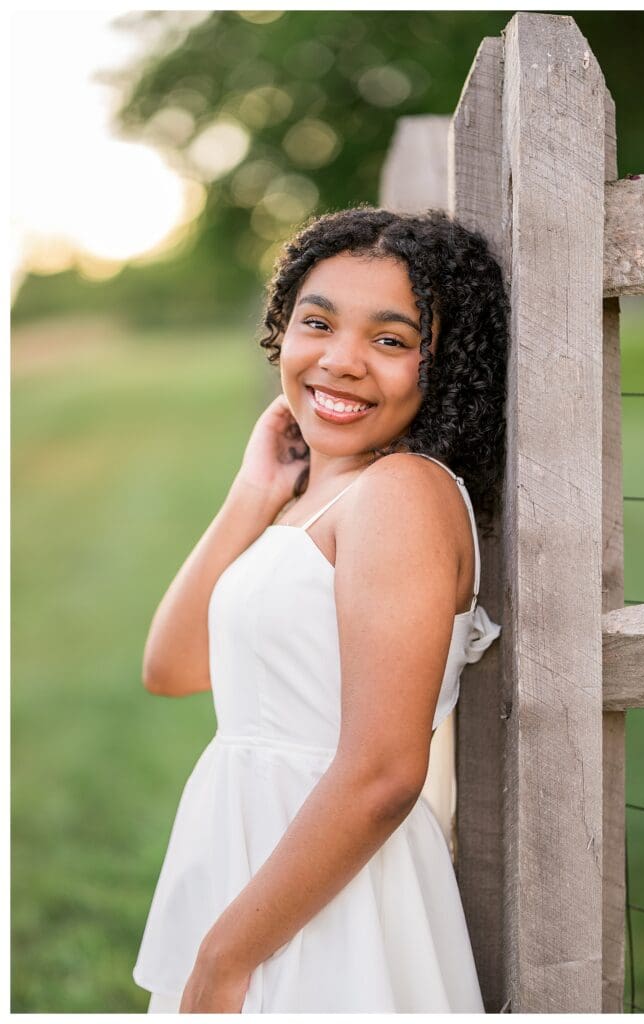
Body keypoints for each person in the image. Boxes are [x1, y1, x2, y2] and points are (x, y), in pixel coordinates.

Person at [132, 206, 508, 1013]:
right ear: (282, 331)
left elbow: (382, 774)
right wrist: (253, 492)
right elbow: (171, 668)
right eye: (317, 323)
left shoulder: (401, 495)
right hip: (259, 873)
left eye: (391, 340)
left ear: (442, 367)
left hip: (327, 898)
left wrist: (224, 959)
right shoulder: (317, 496)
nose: (340, 362)